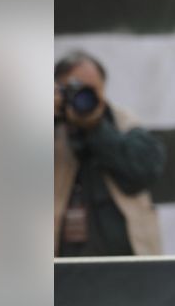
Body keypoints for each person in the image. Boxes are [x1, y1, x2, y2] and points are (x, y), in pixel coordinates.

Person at [54, 51, 165, 257]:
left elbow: (145, 171)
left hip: (125, 269)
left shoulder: (123, 123)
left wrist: (96, 129)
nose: (82, 99)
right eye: (73, 90)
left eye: (90, 91)